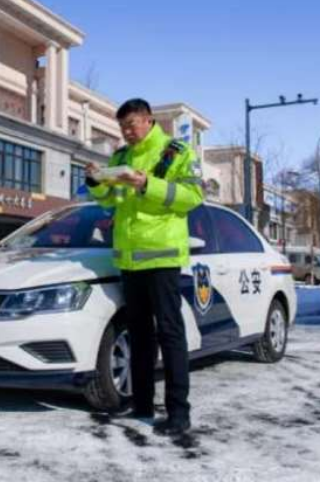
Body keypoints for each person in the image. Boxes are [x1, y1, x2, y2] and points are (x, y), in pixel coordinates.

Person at [85, 98, 204, 436]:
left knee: (170, 333)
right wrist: (97, 184)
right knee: (139, 335)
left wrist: (146, 184)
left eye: (132, 124)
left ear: (149, 120)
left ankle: (179, 413)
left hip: (162, 256)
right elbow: (112, 201)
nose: (127, 132)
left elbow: (193, 197)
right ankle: (141, 404)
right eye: (122, 127)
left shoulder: (174, 151)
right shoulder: (121, 156)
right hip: (129, 258)